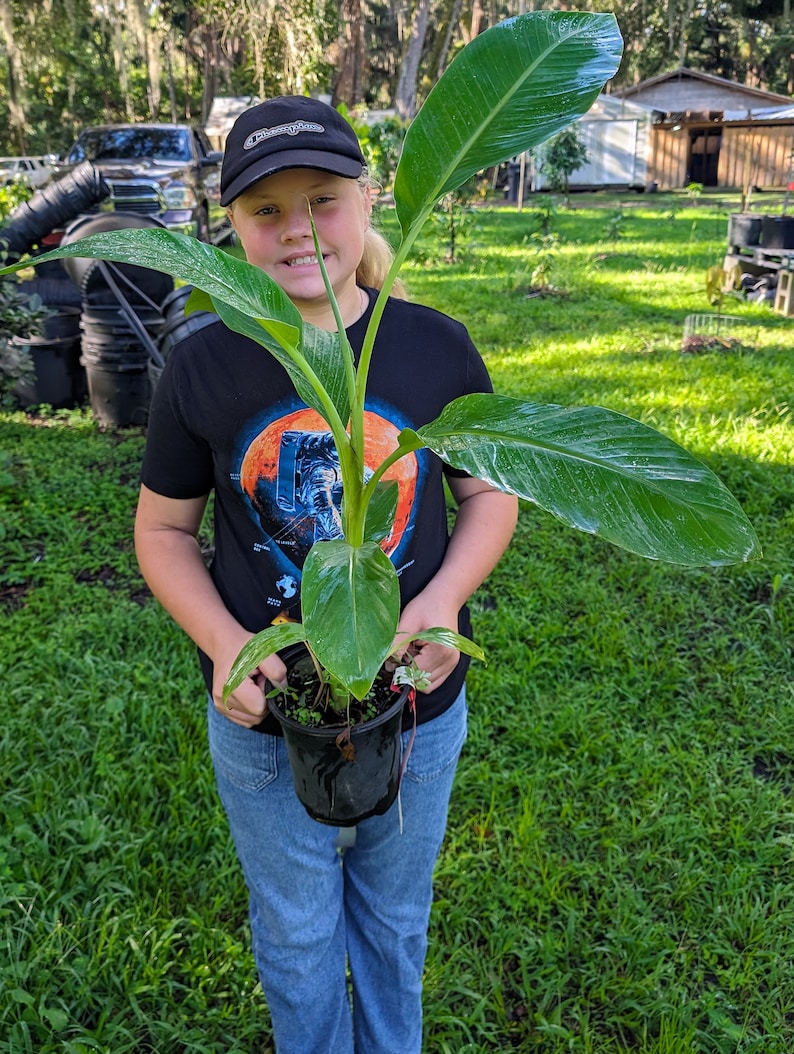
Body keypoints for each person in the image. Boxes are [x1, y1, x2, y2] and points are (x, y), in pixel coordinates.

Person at [134, 95, 518, 1054]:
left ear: (368, 201)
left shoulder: (433, 347)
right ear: (231, 226)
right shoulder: (204, 365)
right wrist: (225, 646)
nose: (298, 229)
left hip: (417, 704)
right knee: (297, 934)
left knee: (395, 921)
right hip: (265, 711)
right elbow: (164, 532)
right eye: (266, 210)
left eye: (323, 200)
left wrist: (441, 602)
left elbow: (490, 496)